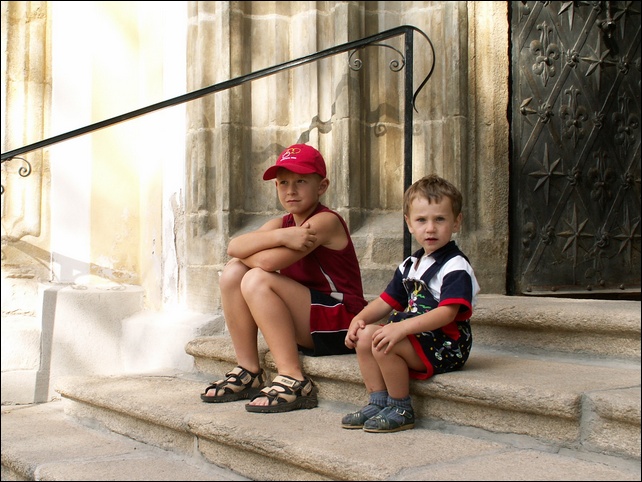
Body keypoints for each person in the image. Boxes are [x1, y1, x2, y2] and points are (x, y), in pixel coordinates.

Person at [200, 143, 367, 413]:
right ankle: (249, 369)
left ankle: (294, 377)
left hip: (343, 323)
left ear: (321, 186)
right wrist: (280, 236)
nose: (291, 190)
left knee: (256, 278)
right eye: (283, 183)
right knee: (233, 272)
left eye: (301, 181)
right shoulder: (285, 226)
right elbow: (234, 247)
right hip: (310, 318)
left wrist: (256, 251)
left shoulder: (325, 222)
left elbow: (266, 262)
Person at [342, 174, 480, 433]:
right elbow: (385, 302)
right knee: (365, 335)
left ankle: (401, 407)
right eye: (421, 220)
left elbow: (447, 313)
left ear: (456, 222)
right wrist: (358, 319)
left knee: (385, 341)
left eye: (440, 219)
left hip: (446, 344)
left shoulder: (455, 266)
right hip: (417, 338)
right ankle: (378, 401)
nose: (430, 228)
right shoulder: (410, 265)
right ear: (409, 224)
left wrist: (401, 329)